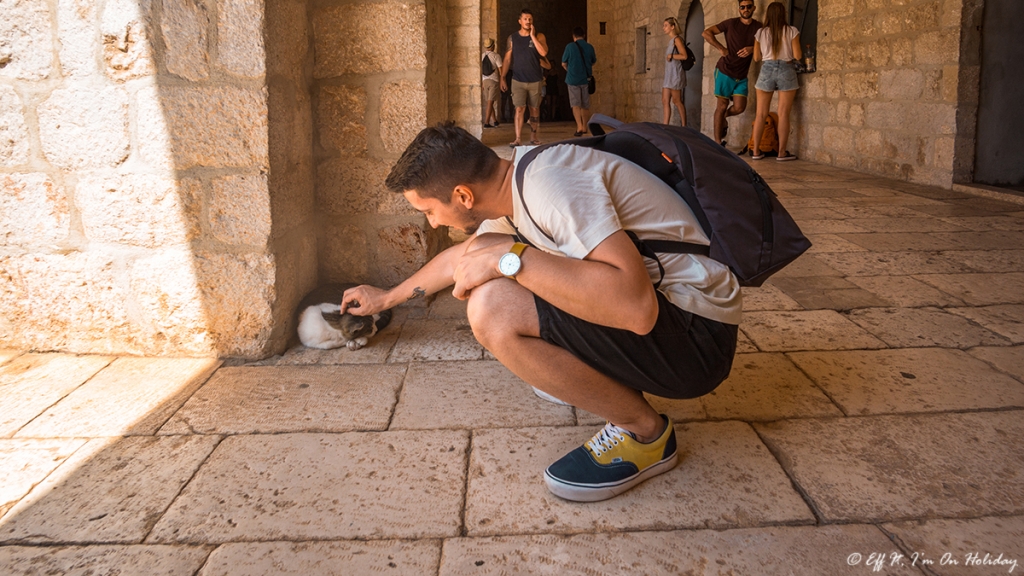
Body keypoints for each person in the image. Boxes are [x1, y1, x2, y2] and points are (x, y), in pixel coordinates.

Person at [340, 124, 741, 502]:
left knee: (492, 306)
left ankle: (645, 434)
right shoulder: (511, 181)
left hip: (697, 337)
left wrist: (509, 258)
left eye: (428, 211)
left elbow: (637, 310)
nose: (433, 222)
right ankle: (581, 370)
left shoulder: (551, 186)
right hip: (670, 316)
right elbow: (460, 260)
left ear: (463, 195)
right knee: (494, 263)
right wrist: (385, 299)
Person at [702, 0, 762, 146]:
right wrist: (721, 48)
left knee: (740, 107)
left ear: (754, 8)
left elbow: (768, 43)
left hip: (742, 75)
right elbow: (706, 32)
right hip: (725, 70)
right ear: (739, 9)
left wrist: (752, 48)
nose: (745, 9)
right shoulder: (731, 23)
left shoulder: (759, 27)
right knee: (721, 106)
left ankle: (723, 118)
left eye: (748, 7)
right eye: (742, 7)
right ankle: (717, 143)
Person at [751, 2, 801, 161]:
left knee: (760, 114)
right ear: (783, 14)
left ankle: (756, 151)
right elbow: (798, 55)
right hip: (786, 69)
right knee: (783, 113)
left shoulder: (760, 33)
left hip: (767, 69)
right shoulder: (792, 31)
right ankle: (781, 153)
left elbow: (757, 58)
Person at [501, 9, 548, 147]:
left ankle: (533, 137)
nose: (528, 21)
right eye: (525, 19)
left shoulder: (539, 36)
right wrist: (503, 77)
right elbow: (507, 59)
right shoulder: (512, 38)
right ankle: (518, 138)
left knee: (534, 109)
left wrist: (532, 37)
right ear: (520, 21)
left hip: (535, 80)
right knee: (519, 109)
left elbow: (544, 52)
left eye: (530, 19)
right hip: (518, 80)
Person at [561, 27, 596, 137]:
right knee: (585, 104)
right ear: (584, 35)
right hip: (586, 79)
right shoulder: (589, 47)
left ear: (573, 36)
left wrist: (570, 70)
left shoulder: (570, 47)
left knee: (575, 104)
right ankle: (585, 126)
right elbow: (593, 61)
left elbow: (563, 63)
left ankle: (579, 126)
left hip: (572, 79)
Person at [662, 17, 689, 127]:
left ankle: (684, 126)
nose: (664, 28)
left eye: (666, 25)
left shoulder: (677, 40)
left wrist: (672, 56)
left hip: (675, 75)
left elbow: (684, 56)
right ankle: (665, 126)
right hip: (668, 75)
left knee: (677, 101)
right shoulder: (670, 41)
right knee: (665, 100)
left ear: (672, 27)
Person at [481, 39, 503, 129]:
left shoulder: (482, 56)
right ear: (493, 46)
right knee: (490, 102)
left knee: (489, 102)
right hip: (493, 81)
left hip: (484, 81)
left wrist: (482, 82)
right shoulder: (496, 56)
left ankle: (495, 121)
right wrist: (502, 80)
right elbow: (500, 69)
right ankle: (486, 123)